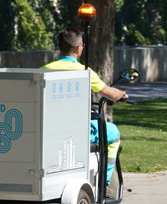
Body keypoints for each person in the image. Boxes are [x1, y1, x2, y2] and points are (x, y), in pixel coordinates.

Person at [41, 27, 127, 188]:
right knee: (113, 133)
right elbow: (111, 94)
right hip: (77, 132)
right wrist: (122, 95)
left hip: (51, 131)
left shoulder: (44, 70)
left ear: (60, 47)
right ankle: (105, 183)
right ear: (79, 48)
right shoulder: (84, 72)